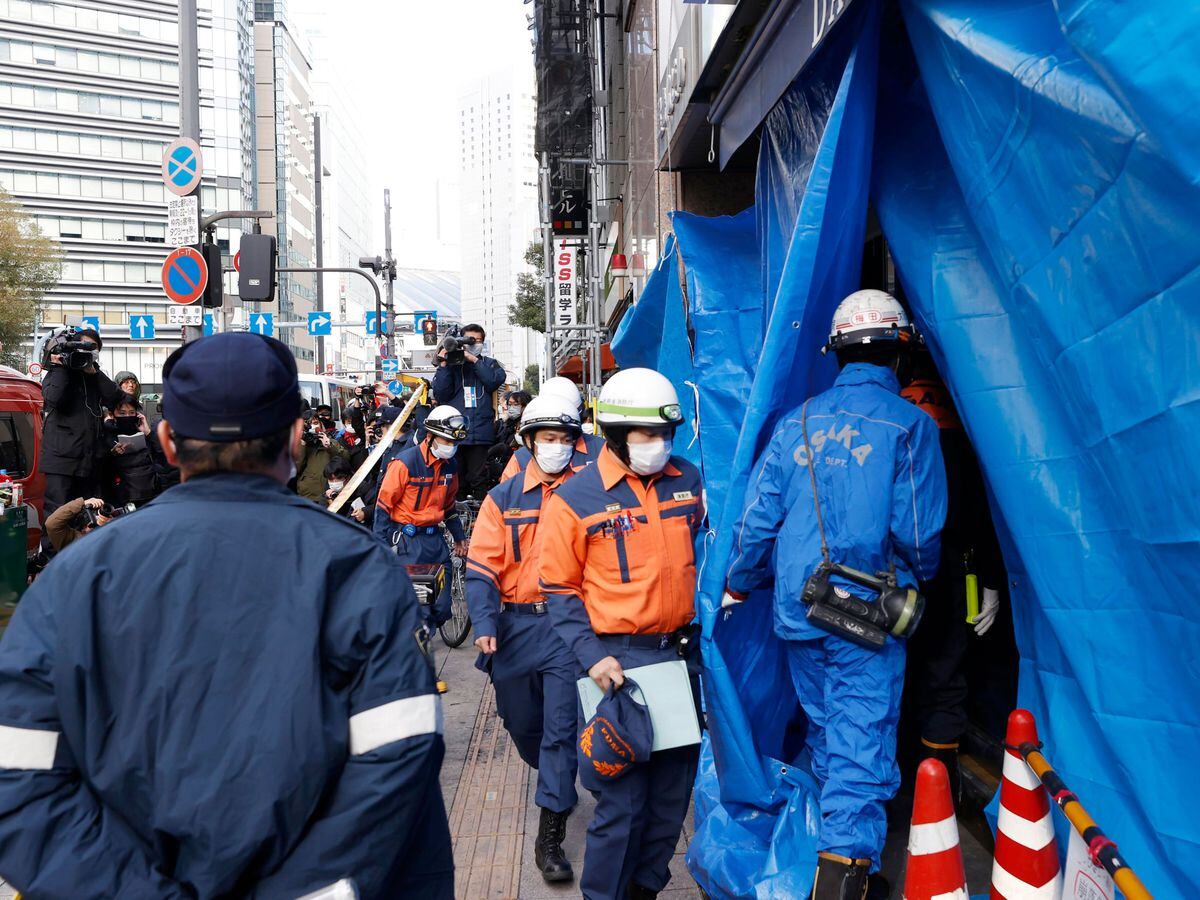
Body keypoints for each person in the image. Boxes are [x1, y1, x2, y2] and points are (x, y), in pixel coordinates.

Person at [0, 332, 452, 898]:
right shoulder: (358, 569)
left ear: (166, 442)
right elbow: (400, 755)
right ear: (293, 437)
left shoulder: (77, 579)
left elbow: (17, 772)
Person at [723, 290, 947, 899]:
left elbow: (755, 525)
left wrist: (739, 584)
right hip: (867, 619)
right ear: (900, 350)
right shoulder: (911, 427)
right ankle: (843, 881)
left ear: (837, 352)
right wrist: (917, 579)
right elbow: (922, 534)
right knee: (860, 751)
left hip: (800, 612)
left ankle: (831, 862)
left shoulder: (794, 421)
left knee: (829, 737)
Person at [539, 368, 704, 900]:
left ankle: (645, 893)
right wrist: (592, 657)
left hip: (678, 663)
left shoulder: (689, 481)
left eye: (666, 435)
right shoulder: (576, 498)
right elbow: (559, 590)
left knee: (669, 808)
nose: (660, 446)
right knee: (620, 806)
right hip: (616, 669)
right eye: (646, 435)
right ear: (612, 433)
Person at [467, 397, 585, 884]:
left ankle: (550, 834)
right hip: (515, 628)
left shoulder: (588, 494)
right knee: (523, 724)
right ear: (530, 442)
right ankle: (554, 777)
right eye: (548, 439)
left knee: (561, 730)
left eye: (565, 439)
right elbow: (480, 569)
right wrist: (485, 624)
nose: (556, 447)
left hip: (566, 626)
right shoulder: (503, 498)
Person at [900, 354, 1004, 803]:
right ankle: (936, 791)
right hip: (957, 566)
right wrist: (993, 579)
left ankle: (897, 782)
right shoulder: (972, 416)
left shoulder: (892, 413)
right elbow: (985, 509)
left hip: (895, 571)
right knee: (945, 676)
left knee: (892, 673)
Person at [374, 405, 469, 629]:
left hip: (435, 543)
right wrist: (380, 548)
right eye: (446, 441)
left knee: (442, 608)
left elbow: (449, 506)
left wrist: (459, 536)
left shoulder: (450, 466)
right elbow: (383, 507)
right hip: (410, 544)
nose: (451, 447)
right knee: (422, 611)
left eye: (454, 443)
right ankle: (418, 652)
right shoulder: (405, 463)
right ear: (430, 436)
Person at [38, 326, 122, 523]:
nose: (87, 352)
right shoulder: (58, 373)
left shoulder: (94, 376)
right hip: (61, 462)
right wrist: (61, 367)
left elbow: (115, 398)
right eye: (83, 347)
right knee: (58, 517)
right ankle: (54, 555)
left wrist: (93, 372)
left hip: (90, 462)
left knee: (89, 517)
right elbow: (53, 399)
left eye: (92, 349)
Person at [431, 323, 507, 499]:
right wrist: (444, 365)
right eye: (468, 340)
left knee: (479, 478)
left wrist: (473, 360)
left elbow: (493, 381)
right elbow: (441, 393)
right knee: (456, 479)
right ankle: (459, 517)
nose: (473, 344)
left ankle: (481, 516)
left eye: (477, 340)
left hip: (480, 432)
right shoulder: (452, 365)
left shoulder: (489, 364)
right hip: (455, 431)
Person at [501, 377, 603, 482]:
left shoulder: (602, 450)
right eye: (550, 439)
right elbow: (507, 493)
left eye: (566, 439)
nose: (559, 448)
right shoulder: (521, 459)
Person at [102, 394, 161, 507]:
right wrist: (112, 454)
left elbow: (161, 457)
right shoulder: (107, 435)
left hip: (151, 494)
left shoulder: (144, 433)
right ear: (112, 414)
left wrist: (148, 433)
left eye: (132, 412)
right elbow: (102, 470)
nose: (127, 416)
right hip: (123, 497)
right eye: (122, 413)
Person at [295, 415, 349, 503]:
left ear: (321, 425)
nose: (313, 427)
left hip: (329, 494)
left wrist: (329, 446)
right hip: (308, 495)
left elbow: (345, 458)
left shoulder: (331, 442)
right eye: (310, 425)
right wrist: (302, 444)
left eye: (316, 423)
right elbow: (295, 468)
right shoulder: (301, 445)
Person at [486, 389, 533, 487]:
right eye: (510, 404)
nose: (512, 408)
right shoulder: (504, 424)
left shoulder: (528, 425)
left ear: (525, 406)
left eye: (516, 404)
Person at [42, 496, 110, 552]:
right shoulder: (72, 541)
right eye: (94, 517)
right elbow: (52, 524)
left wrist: (109, 525)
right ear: (84, 527)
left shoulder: (112, 536)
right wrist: (82, 503)